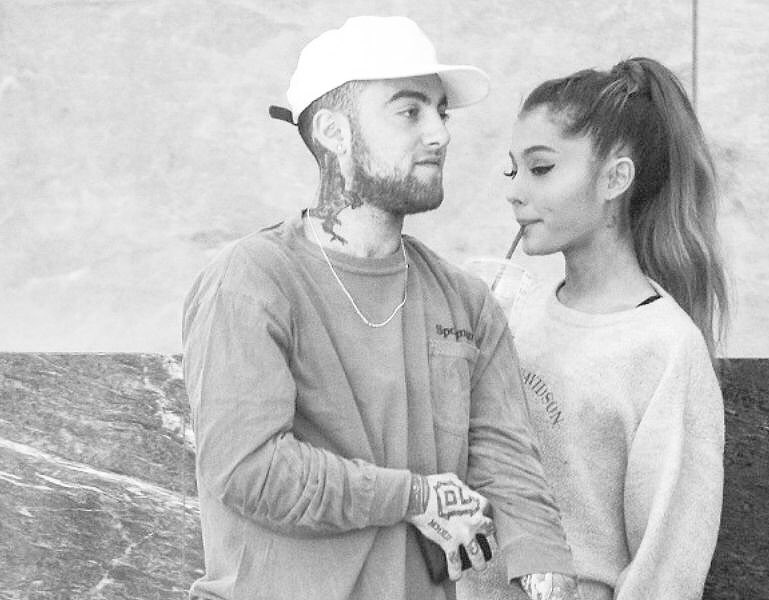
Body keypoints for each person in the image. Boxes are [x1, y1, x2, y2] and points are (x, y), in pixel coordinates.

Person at [182, 16, 578, 600]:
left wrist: (546, 564)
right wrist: (414, 498)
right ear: (335, 132)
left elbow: (508, 463)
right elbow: (249, 470)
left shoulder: (466, 303)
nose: (439, 134)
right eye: (409, 111)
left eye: (441, 113)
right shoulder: (250, 281)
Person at [497, 57, 728, 600]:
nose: (515, 190)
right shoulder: (516, 312)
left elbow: (665, 572)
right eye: (513, 171)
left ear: (615, 178)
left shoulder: (666, 350)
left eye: (541, 168)